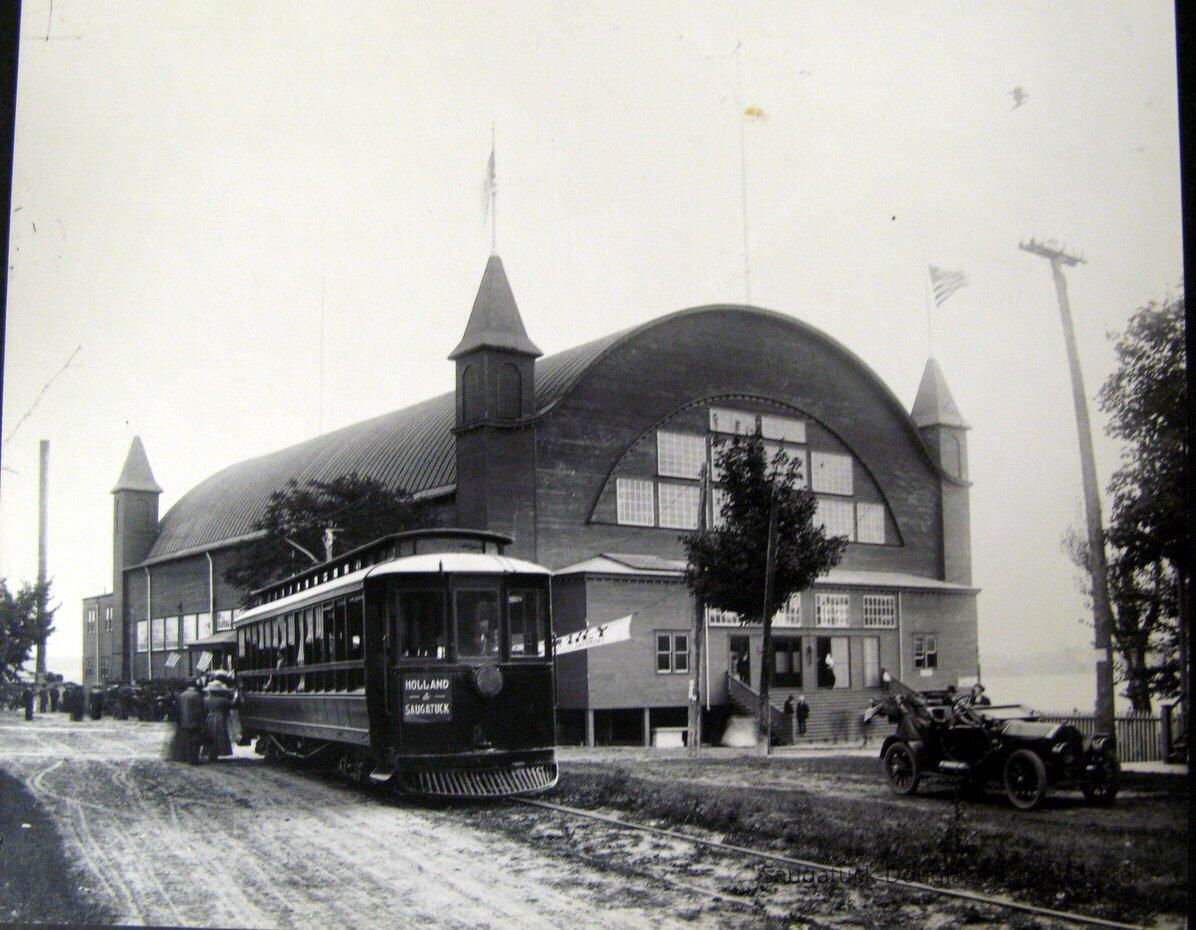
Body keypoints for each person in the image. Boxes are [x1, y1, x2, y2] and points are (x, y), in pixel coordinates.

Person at [173, 679, 206, 763]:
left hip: (184, 721)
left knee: (187, 740)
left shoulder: (182, 695)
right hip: (195, 721)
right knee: (196, 740)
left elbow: (178, 709)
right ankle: (194, 759)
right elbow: (201, 709)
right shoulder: (197, 695)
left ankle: (187, 757)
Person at [202, 676, 235, 759]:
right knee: (220, 735)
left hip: (209, 718)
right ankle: (219, 751)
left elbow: (204, 710)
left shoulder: (206, 700)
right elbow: (232, 705)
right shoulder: (223, 700)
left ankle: (210, 752)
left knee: (210, 735)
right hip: (220, 718)